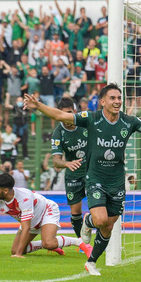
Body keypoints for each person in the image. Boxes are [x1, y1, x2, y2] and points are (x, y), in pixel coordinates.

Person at [24, 83, 141, 275]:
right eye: (112, 98)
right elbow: (61, 116)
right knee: (100, 220)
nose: (117, 102)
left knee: (109, 225)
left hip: (117, 180)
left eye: (119, 98)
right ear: (102, 102)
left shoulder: (129, 121)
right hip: (95, 178)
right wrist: (39, 105)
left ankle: (91, 262)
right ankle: (89, 221)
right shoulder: (91, 118)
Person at [0, 173, 92, 258]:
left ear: (6, 191)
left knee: (46, 242)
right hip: (30, 220)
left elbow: (25, 228)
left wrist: (18, 255)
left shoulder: (23, 197)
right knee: (17, 249)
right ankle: (49, 245)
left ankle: (80, 242)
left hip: (46, 211)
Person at [51, 97, 89, 239]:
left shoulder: (84, 122)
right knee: (75, 212)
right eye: (62, 114)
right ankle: (83, 242)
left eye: (68, 113)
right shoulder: (58, 133)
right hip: (73, 173)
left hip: (92, 171)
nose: (65, 117)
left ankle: (92, 225)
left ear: (73, 111)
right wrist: (67, 163)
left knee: (97, 206)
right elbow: (56, 161)